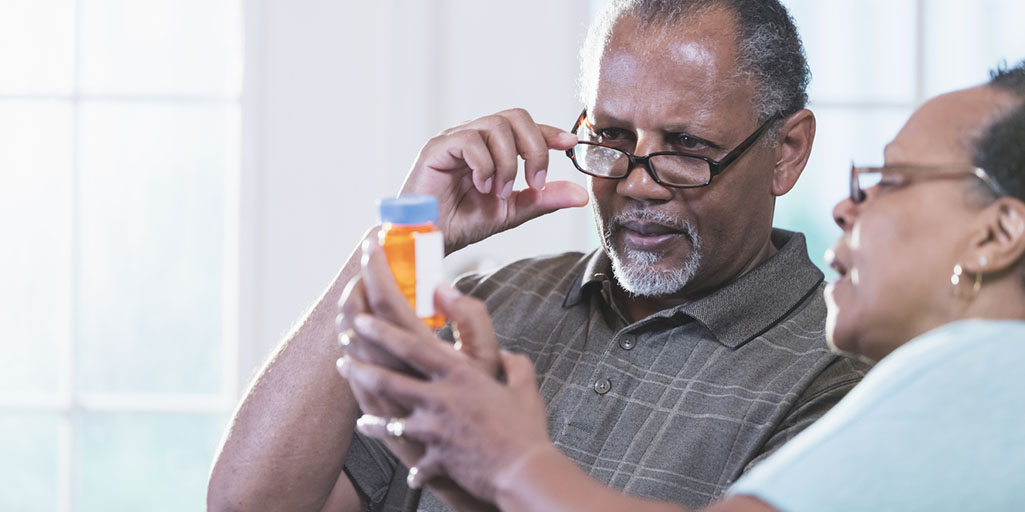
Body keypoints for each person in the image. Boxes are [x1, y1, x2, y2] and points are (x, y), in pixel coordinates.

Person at [207, 1, 870, 511]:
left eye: (687, 147)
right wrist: (404, 238)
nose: (636, 182)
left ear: (785, 153)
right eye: (609, 137)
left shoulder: (839, 381)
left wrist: (503, 466)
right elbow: (250, 503)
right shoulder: (482, 306)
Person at [338, 62, 1025, 510]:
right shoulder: (502, 293)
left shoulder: (981, 371)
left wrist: (509, 462)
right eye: (608, 135)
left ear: (999, 233)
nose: (848, 206)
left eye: (890, 182)